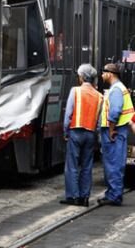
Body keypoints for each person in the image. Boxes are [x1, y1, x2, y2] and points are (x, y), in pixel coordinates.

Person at [60, 64, 103, 207]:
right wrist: (97, 137)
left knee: (72, 165)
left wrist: (65, 132)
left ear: (82, 77)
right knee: (86, 166)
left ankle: (72, 196)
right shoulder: (99, 96)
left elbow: (68, 115)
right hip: (90, 134)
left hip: (76, 131)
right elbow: (99, 121)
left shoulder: (75, 91)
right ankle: (84, 198)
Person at [98, 63, 134, 206]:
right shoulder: (119, 88)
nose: (101, 75)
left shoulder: (116, 90)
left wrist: (112, 129)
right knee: (114, 163)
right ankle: (112, 193)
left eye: (103, 72)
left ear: (110, 74)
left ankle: (114, 195)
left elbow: (115, 112)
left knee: (113, 164)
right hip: (119, 130)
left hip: (114, 131)